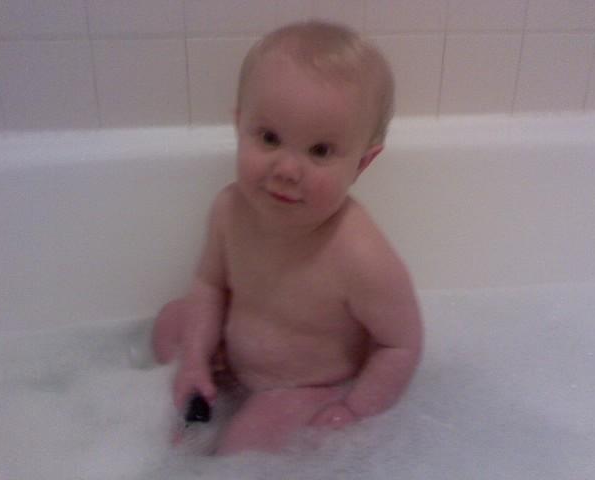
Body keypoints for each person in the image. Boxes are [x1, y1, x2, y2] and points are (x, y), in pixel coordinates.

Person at [151, 20, 422, 455]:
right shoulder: (229, 210)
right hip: (232, 358)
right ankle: (192, 402)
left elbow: (400, 344)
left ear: (362, 163)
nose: (287, 169)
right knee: (171, 320)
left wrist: (353, 410)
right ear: (240, 126)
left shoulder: (359, 253)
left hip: (305, 388)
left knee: (243, 446)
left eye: (320, 151)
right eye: (270, 138)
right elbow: (209, 285)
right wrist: (198, 358)